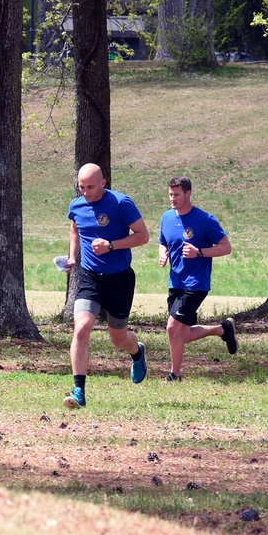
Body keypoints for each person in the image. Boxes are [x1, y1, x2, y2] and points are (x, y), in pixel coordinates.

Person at [63, 163, 150, 409]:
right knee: (82, 328)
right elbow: (75, 228)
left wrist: (111, 245)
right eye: (81, 187)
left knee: (119, 339)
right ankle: (78, 389)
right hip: (91, 277)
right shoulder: (76, 205)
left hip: (120, 279)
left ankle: (137, 352)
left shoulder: (122, 203)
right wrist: (72, 256)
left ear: (103, 182)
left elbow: (143, 236)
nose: (86, 192)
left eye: (90, 187)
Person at [157, 176, 237, 381]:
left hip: (196, 283)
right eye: (170, 195)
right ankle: (222, 330)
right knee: (180, 334)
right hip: (175, 282)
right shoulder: (166, 217)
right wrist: (162, 253)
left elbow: (225, 247)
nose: (172, 199)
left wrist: (199, 252)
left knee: (172, 328)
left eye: (176, 195)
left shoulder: (205, 220)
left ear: (188, 194)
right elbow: (163, 242)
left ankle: (174, 375)